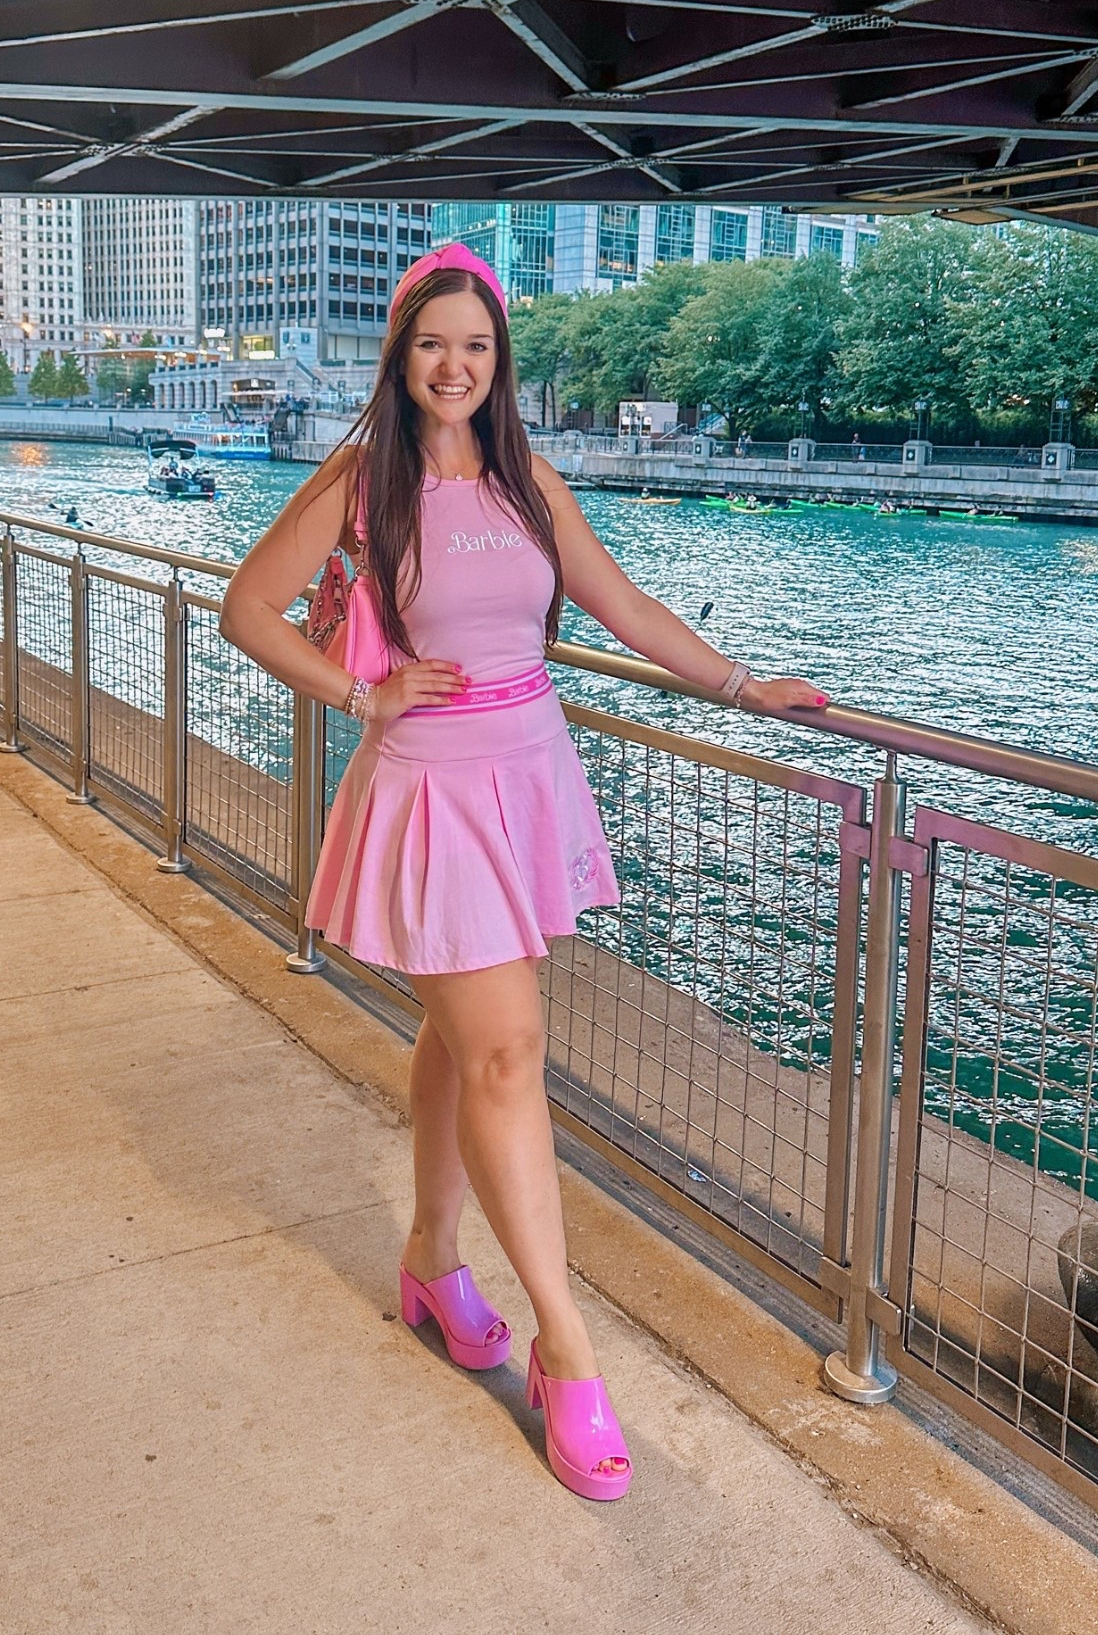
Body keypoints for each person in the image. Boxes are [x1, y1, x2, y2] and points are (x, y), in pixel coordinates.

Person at [218, 244, 829, 1503]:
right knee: (506, 1049)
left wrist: (742, 685)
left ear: (500, 364)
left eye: (477, 346)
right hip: (432, 789)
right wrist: (363, 694)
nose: (454, 365)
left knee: (464, 1039)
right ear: (402, 356)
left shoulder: (525, 478)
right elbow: (248, 608)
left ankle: (433, 1259)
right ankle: (568, 1345)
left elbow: (623, 606)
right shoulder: (359, 481)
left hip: (527, 771)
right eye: (433, 343)